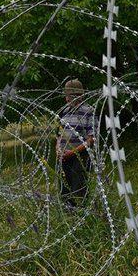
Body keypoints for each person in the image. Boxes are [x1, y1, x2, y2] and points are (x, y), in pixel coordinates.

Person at [56, 79, 96, 208]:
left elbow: (91, 139)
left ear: (77, 95)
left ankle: (82, 211)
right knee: (64, 186)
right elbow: (59, 134)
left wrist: (73, 152)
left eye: (68, 95)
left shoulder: (88, 111)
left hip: (80, 156)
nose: (66, 99)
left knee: (78, 185)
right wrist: (58, 149)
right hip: (63, 156)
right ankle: (68, 211)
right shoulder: (64, 111)